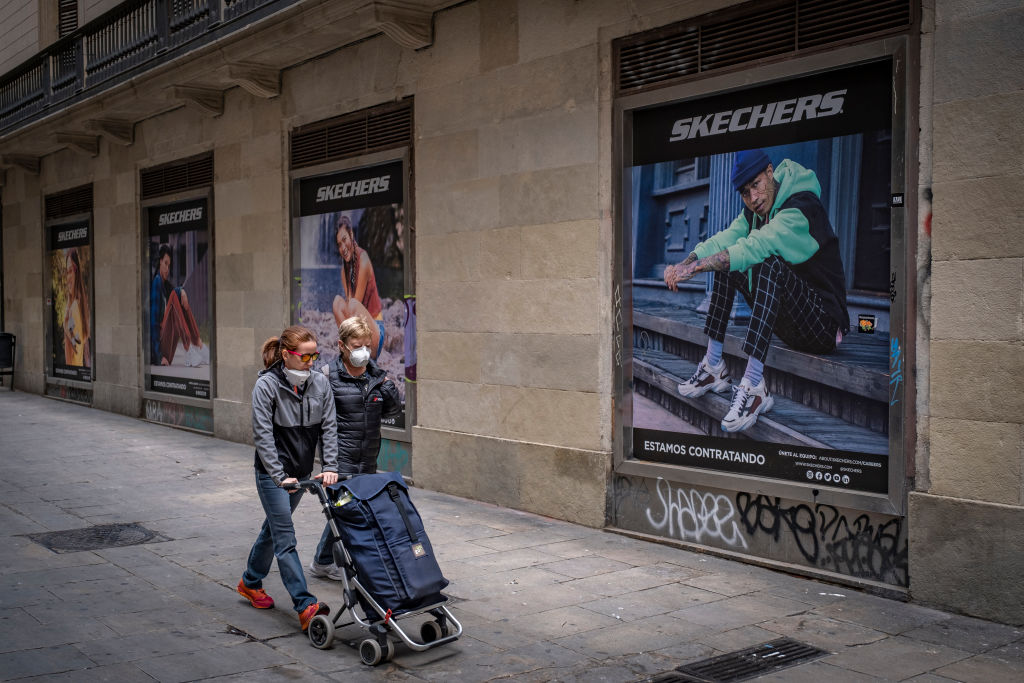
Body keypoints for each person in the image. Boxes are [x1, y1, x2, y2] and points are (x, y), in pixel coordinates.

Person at [664, 149, 849, 433]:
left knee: (765, 260)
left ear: (770, 173)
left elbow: (759, 245)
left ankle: (753, 386)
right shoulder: (754, 212)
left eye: (757, 185)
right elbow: (726, 238)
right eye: (745, 192)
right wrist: (685, 263)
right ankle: (713, 366)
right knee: (728, 262)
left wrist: (696, 268)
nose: (754, 198)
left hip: (821, 326)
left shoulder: (802, 207)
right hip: (790, 325)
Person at [237, 325, 340, 631]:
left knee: (273, 529)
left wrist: (330, 465)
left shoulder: (320, 383)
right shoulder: (266, 386)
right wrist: (279, 475)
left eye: (314, 355)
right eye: (304, 356)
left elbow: (329, 428)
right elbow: (263, 435)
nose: (310, 362)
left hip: (302, 472)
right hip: (273, 475)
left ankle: (250, 581)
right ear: (286, 355)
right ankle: (305, 604)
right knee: (285, 537)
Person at [309, 316, 401, 580]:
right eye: (356, 345)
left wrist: (384, 382)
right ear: (341, 345)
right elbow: (320, 422)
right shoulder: (327, 377)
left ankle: (322, 561)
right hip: (341, 458)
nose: (363, 351)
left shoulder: (375, 376)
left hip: (368, 455)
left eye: (366, 345)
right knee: (346, 508)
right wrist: (328, 464)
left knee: (345, 508)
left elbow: (392, 410)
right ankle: (339, 563)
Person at [331, 215, 385, 359]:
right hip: (358, 332)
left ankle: (352, 354)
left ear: (351, 235)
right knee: (337, 302)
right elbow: (348, 307)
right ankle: (349, 354)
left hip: (375, 331)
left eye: (344, 240)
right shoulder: (345, 270)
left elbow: (355, 305)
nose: (343, 248)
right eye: (339, 244)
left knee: (353, 304)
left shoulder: (364, 259)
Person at [150, 244, 204, 367]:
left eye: (169, 265)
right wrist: (158, 357)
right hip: (159, 351)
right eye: (165, 263)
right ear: (159, 263)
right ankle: (189, 348)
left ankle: (197, 343)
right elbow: (153, 324)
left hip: (167, 347)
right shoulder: (156, 283)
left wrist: (182, 291)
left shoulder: (165, 285)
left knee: (178, 295)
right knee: (175, 295)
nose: (167, 269)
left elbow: (176, 293)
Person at [61, 248, 90, 368]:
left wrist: (67, 328)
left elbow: (76, 346)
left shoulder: (74, 308)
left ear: (76, 272)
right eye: (66, 272)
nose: (68, 278)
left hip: (74, 370)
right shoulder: (79, 305)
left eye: (70, 271)